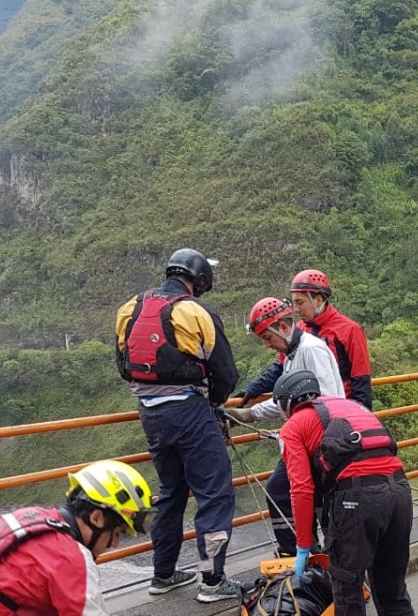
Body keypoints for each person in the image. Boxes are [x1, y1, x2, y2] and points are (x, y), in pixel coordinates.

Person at [114, 248, 243, 601]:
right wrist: (214, 403)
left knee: (171, 494)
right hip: (189, 412)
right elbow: (226, 373)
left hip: (150, 414)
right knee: (214, 494)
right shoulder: (194, 312)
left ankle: (164, 573)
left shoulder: (131, 307)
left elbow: (123, 366)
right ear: (199, 278)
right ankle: (213, 582)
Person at [0, 460, 155, 615]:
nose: (113, 544)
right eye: (117, 534)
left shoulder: (29, 517)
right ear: (97, 518)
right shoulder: (72, 558)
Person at [274, 370, 415, 616]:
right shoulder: (351, 406)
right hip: (400, 490)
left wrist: (304, 546)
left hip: (357, 499)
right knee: (392, 588)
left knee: (347, 589)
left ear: (288, 402)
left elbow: (301, 489)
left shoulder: (293, 425)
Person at [229, 297, 346, 555]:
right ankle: (302, 550)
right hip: (304, 437)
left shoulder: (310, 350)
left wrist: (291, 430)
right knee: (291, 493)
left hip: (318, 439)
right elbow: (285, 401)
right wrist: (247, 415)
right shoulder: (291, 355)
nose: (269, 346)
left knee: (292, 493)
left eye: (269, 339)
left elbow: (326, 399)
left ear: (283, 327)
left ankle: (308, 552)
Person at [290, 269, 374, 409]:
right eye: (294, 303)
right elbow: (280, 366)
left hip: (341, 409)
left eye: (300, 303)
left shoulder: (350, 330)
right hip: (308, 411)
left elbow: (361, 378)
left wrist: (361, 417)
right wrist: (253, 389)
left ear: (318, 300)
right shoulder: (299, 330)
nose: (296, 309)